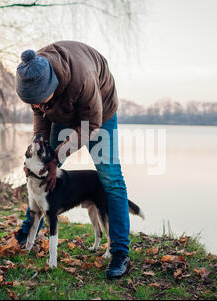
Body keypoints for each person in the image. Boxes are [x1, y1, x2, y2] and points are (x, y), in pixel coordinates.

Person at [14, 41, 130, 279]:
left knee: (111, 177)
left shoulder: (82, 79)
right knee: (42, 170)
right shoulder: (36, 77)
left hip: (99, 115)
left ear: (53, 86)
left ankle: (120, 252)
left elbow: (90, 127)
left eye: (39, 101)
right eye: (32, 103)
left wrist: (57, 157)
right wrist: (40, 151)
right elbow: (40, 119)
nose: (36, 106)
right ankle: (29, 231)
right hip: (62, 110)